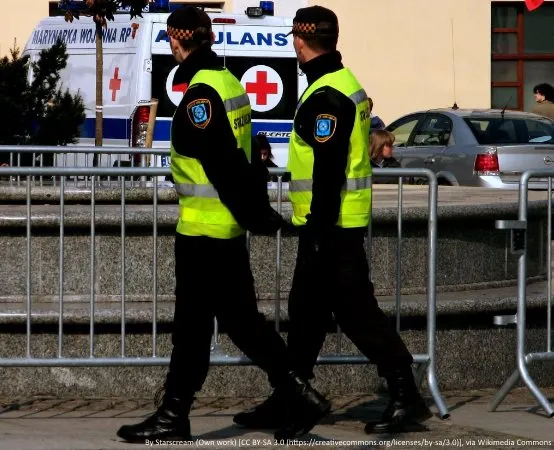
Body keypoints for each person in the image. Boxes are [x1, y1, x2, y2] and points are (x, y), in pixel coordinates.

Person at [116, 6, 329, 444]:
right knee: (236, 324)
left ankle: (181, 414)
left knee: (200, 327)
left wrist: (256, 213)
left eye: (172, 42)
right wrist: (254, 212)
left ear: (177, 40)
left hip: (204, 234)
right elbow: (246, 155)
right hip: (224, 233)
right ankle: (283, 393)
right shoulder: (230, 83)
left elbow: (223, 164)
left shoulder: (200, 95)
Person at [233, 5, 431, 435]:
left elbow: (328, 170)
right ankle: (291, 395)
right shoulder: (344, 84)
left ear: (299, 42)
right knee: (304, 314)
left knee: (358, 314)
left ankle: (405, 394)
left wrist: (318, 233)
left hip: (331, 228)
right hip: (332, 226)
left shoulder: (326, 96)